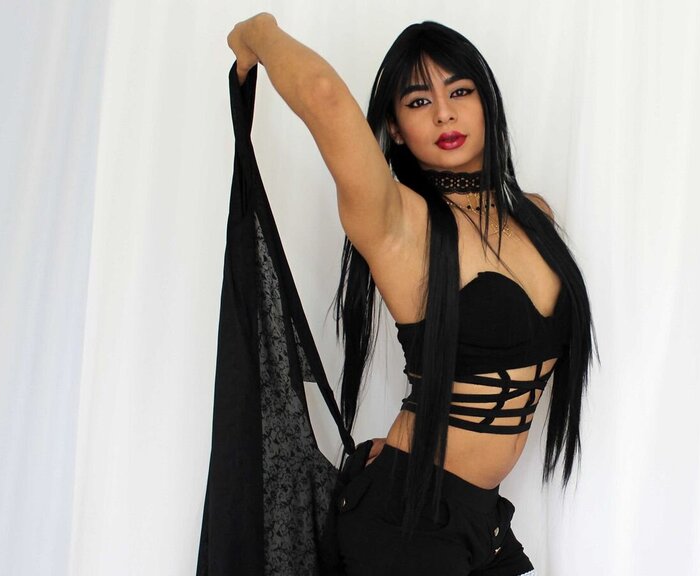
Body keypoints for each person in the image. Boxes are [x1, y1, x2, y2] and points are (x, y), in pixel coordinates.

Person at [228, 13, 596, 575]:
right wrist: (258, 32)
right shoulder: (398, 221)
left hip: (479, 519)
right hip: (408, 522)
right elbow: (323, 95)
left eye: (460, 91)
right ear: (395, 129)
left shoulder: (534, 216)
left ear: (487, 103)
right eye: (419, 101)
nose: (444, 113)